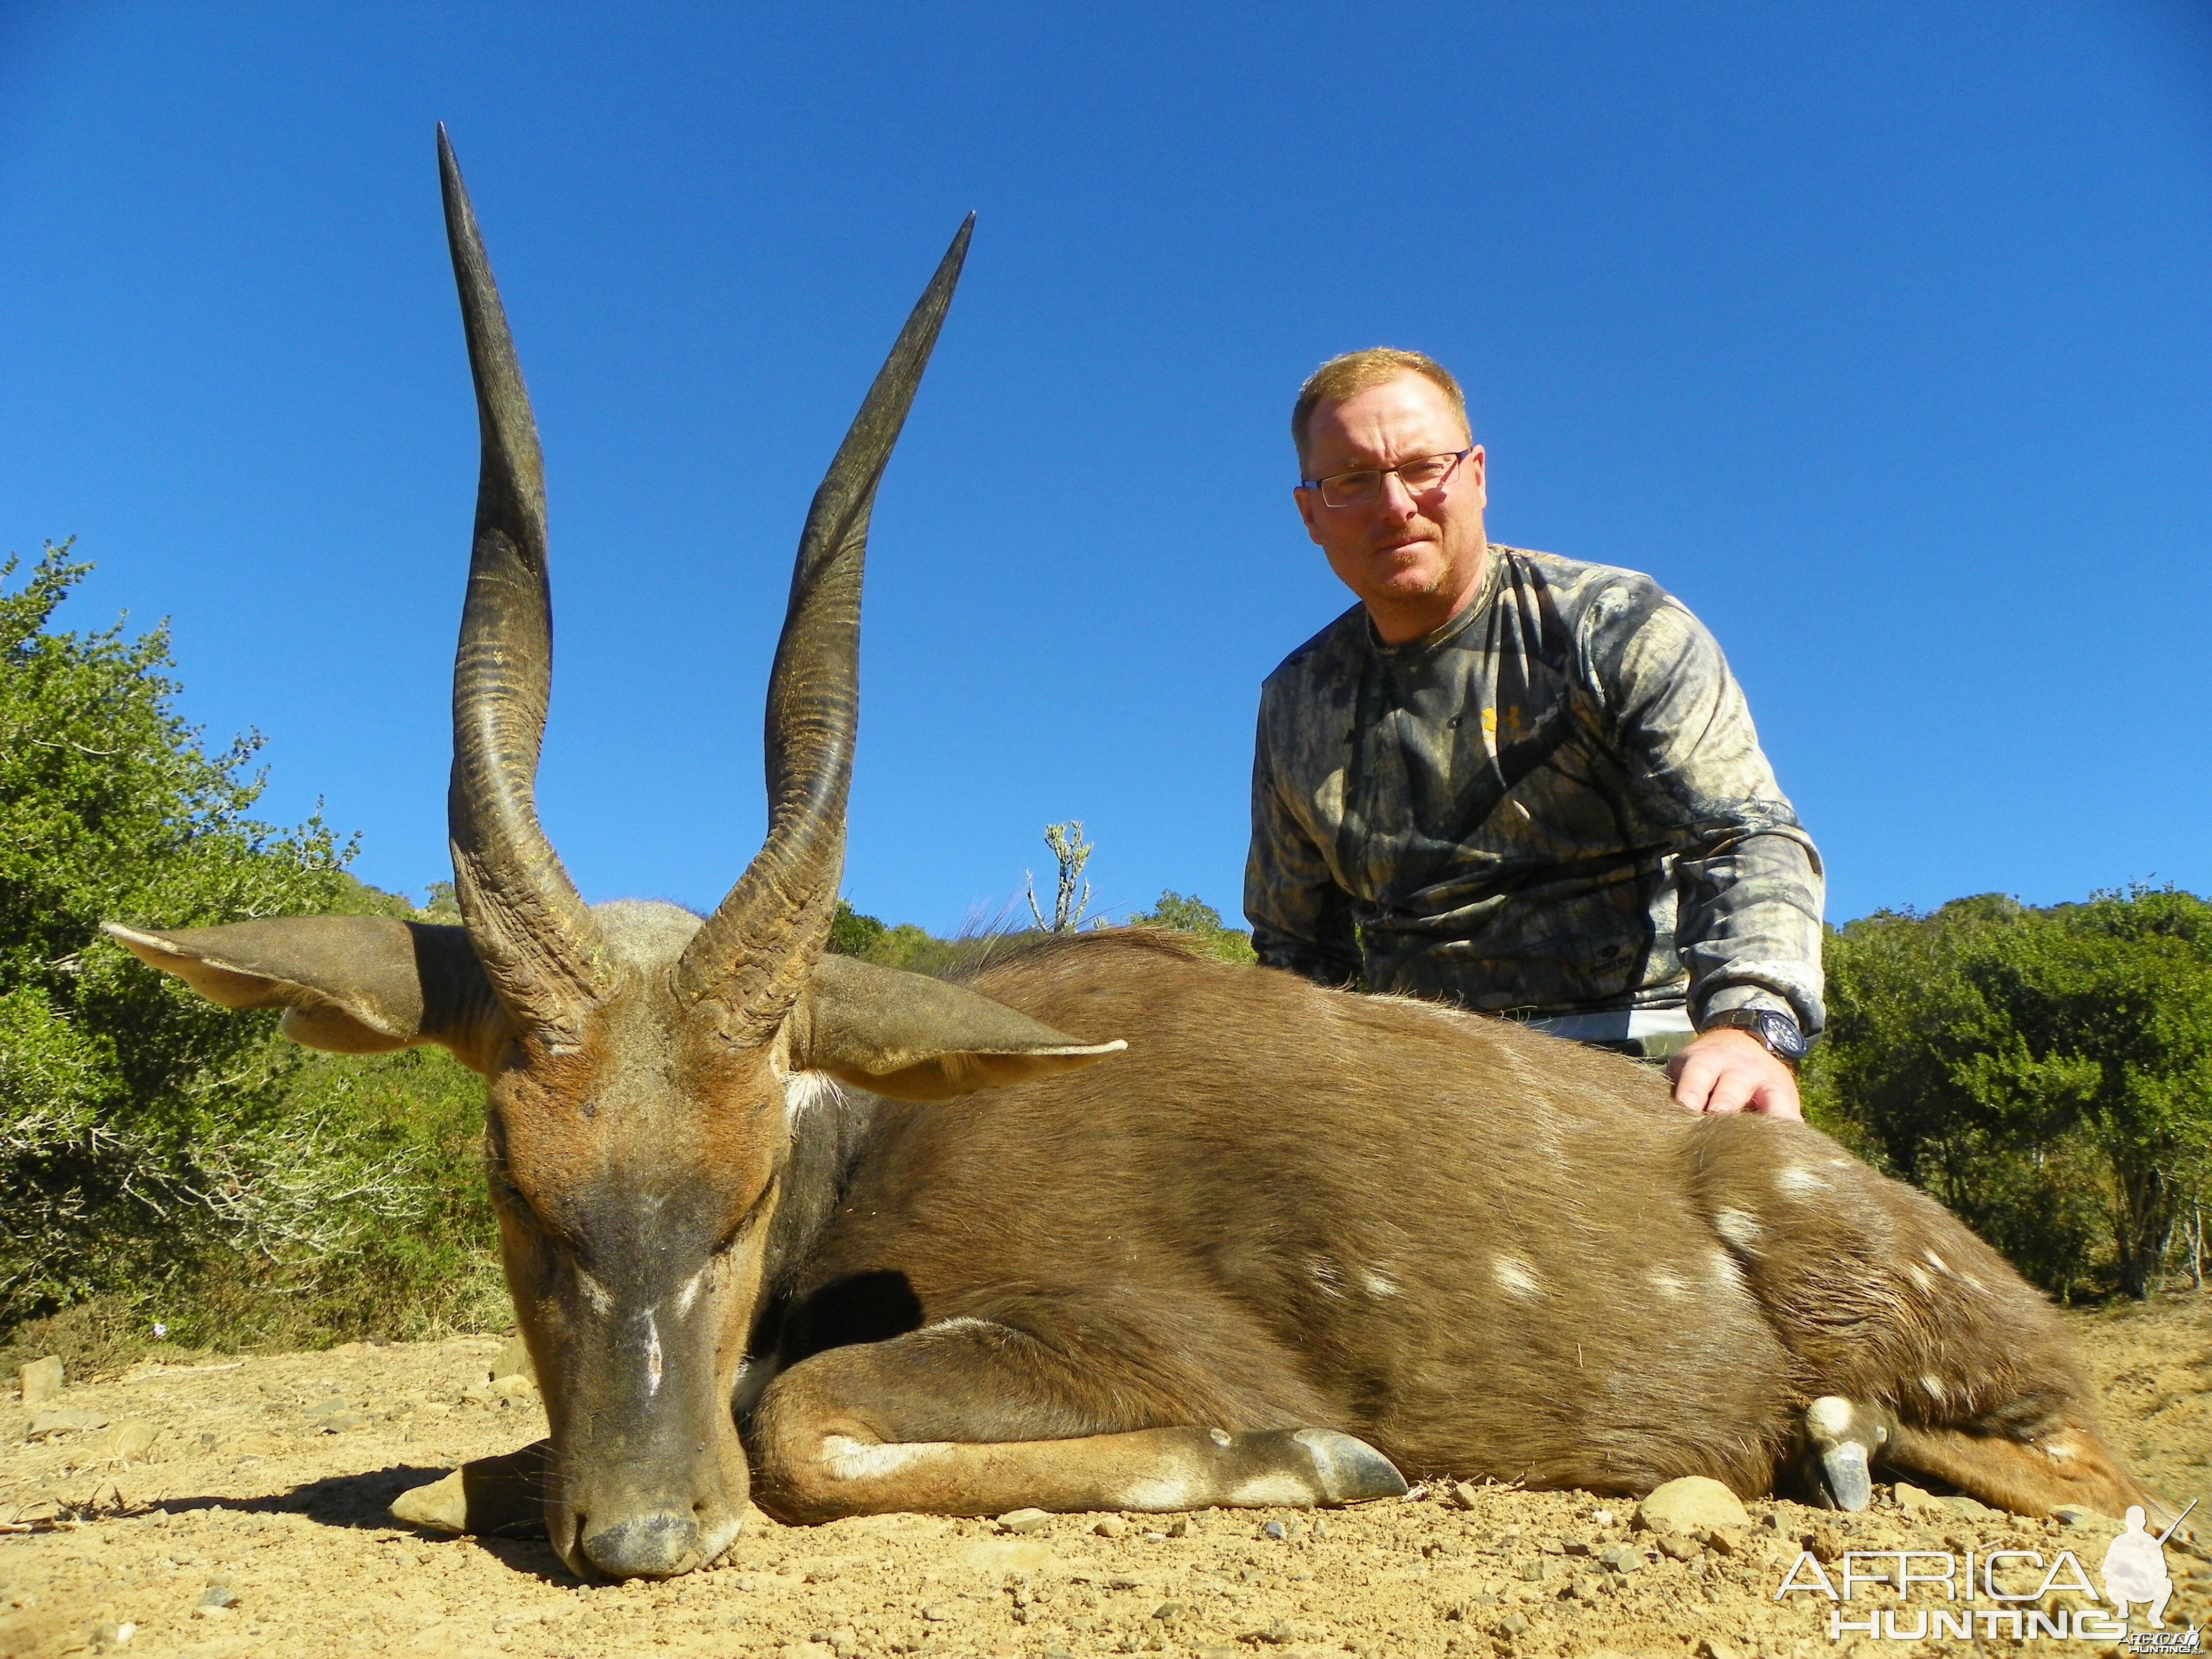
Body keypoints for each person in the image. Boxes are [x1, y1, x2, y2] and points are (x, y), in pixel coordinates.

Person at [1245, 348, 1824, 1118]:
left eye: (1424, 467)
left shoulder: (1614, 626)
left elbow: (1745, 838)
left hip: (1641, 1061)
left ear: (1477, 474)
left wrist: (1749, 1027)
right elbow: (1295, 955)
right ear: (1311, 513)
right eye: (1352, 480)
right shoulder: (1295, 701)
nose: (1395, 505)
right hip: (1407, 1086)